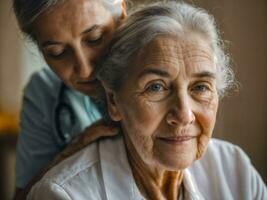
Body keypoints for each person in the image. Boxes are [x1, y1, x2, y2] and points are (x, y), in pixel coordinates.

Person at [26, 2, 267, 200]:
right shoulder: (65, 194)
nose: (184, 114)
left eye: (201, 87)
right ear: (113, 101)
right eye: (156, 87)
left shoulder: (235, 170)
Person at [12, 0, 127, 192]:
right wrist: (70, 156)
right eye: (57, 52)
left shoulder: (166, 71)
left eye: (94, 38)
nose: (84, 70)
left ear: (121, 12)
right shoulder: (45, 92)